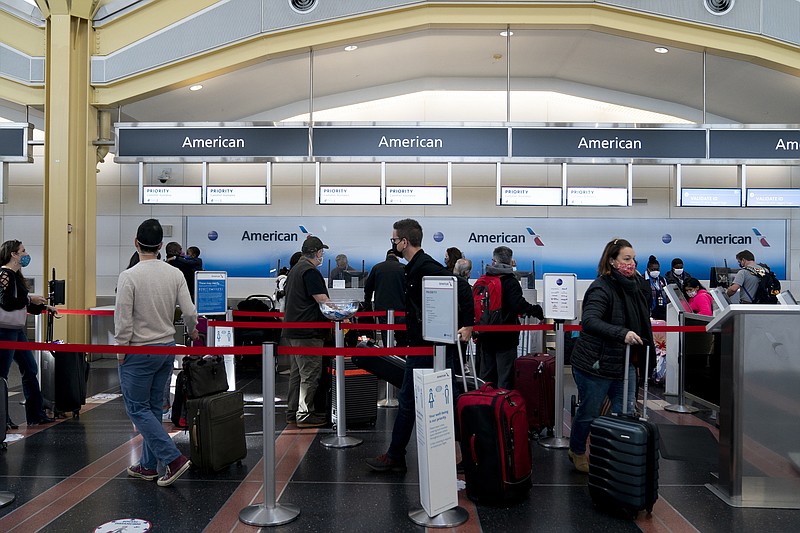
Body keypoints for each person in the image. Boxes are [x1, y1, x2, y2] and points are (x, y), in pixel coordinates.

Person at [366, 219, 473, 473]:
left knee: (421, 401)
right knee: (415, 401)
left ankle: (397, 455)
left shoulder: (425, 266)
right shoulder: (414, 267)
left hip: (430, 348)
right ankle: (397, 455)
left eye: (394, 239)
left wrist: (468, 324)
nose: (393, 243)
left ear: (404, 241)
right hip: (425, 346)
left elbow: (463, 289)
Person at [115, 219, 198, 487]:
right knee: (152, 408)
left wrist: (120, 350)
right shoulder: (174, 274)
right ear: (161, 245)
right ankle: (148, 466)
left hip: (137, 351)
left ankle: (172, 459)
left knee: (137, 409)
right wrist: (194, 331)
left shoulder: (129, 276)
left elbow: (123, 321)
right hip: (166, 349)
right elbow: (189, 312)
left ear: (136, 243)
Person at [568, 238, 655, 474]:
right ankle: (576, 450)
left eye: (633, 258)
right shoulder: (601, 287)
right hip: (595, 363)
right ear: (612, 261)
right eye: (626, 259)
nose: (632, 263)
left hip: (624, 361)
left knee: (625, 411)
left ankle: (614, 454)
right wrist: (622, 333)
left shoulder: (636, 286)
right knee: (589, 411)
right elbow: (590, 321)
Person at [0, 240, 58, 428]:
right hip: (5, 330)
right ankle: (3, 419)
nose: (26, 254)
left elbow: (21, 303)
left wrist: (42, 305)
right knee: (2, 374)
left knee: (30, 369)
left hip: (16, 330)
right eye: (23, 251)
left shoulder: (16, 275)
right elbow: (7, 302)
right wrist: (28, 298)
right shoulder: (5, 274)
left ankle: (36, 413)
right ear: (13, 254)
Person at [476, 246, 544, 390]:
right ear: (511, 261)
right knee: (504, 378)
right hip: (505, 338)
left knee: (486, 378)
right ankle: (503, 409)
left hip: (485, 335)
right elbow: (517, 305)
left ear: (493, 260)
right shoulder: (510, 281)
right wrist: (536, 310)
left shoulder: (485, 279)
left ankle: (484, 408)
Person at [283, 236, 331, 428]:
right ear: (318, 253)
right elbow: (323, 301)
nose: (322, 256)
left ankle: (291, 412)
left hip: (293, 331)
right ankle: (304, 415)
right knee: (310, 374)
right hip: (308, 332)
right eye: (322, 253)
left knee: (297, 374)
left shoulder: (295, 270)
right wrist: (341, 314)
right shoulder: (310, 272)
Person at [363, 249, 406, 347]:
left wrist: (367, 304)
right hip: (401, 308)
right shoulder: (404, 268)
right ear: (397, 257)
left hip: (382, 308)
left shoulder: (377, 268)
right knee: (402, 337)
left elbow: (368, 288)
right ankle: (401, 358)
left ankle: (389, 358)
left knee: (386, 335)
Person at [641, 255, 668, 320]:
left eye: (657, 269)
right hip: (649, 312)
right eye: (653, 269)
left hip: (662, 311)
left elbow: (667, 294)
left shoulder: (662, 280)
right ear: (648, 269)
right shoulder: (643, 280)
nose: (655, 271)